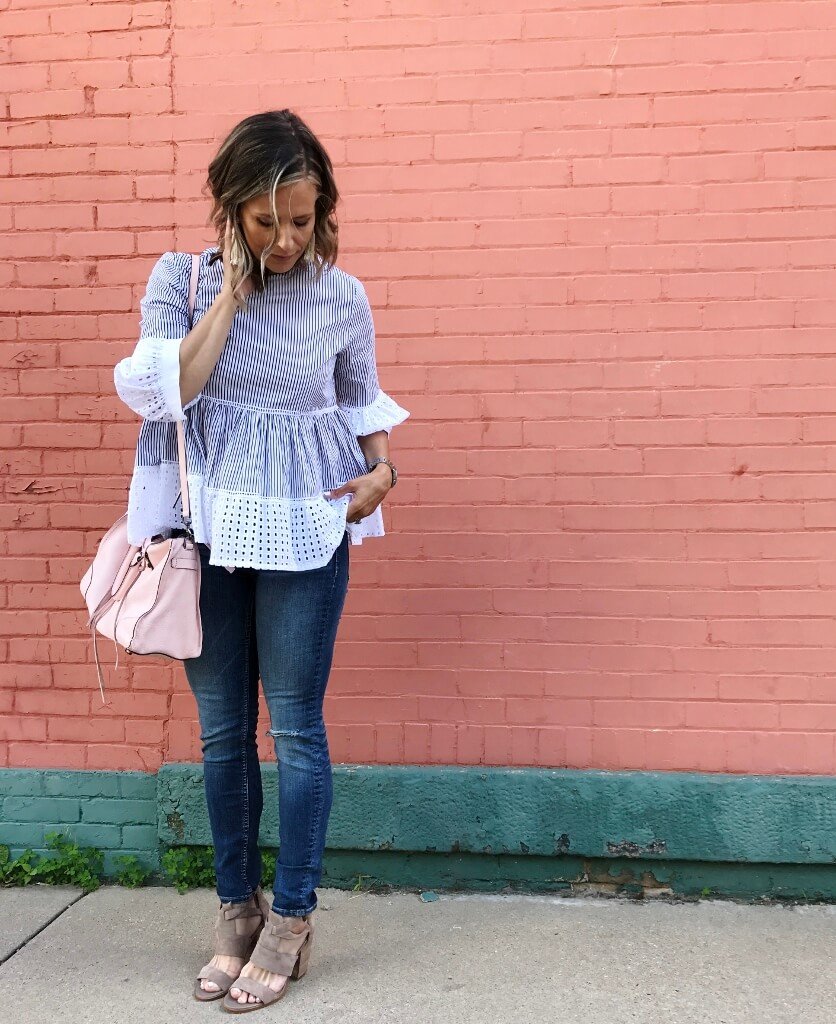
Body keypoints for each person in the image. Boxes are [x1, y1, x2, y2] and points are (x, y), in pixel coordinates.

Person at [113, 109, 410, 1012]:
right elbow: (172, 390)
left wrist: (385, 474)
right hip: (206, 535)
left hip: (304, 532)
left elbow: (364, 413)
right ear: (229, 209)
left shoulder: (342, 295)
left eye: (303, 219)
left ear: (324, 212)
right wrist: (233, 293)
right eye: (264, 221)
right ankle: (235, 912)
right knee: (220, 735)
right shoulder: (179, 280)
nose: (285, 239)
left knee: (297, 729)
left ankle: (291, 919)